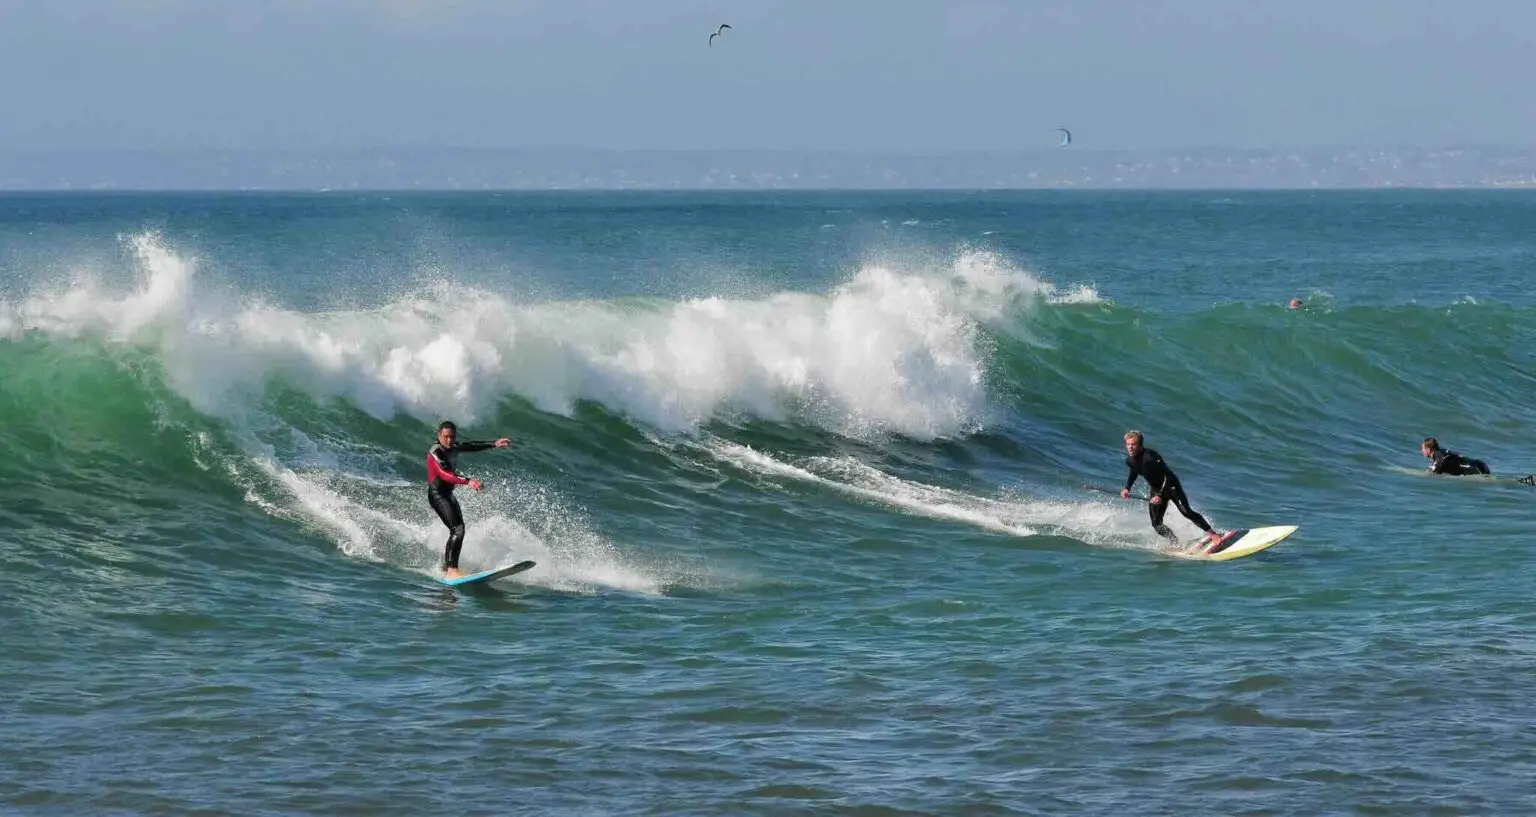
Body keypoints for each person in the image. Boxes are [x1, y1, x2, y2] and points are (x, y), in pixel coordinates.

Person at [427, 421, 512, 578]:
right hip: (437, 495)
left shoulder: (454, 447)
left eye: (452, 437)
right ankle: (452, 569)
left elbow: (472, 445)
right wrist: (469, 481)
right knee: (457, 529)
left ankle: (447, 567)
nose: (449, 440)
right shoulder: (436, 451)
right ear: (439, 436)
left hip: (448, 495)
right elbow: (446, 474)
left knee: (459, 529)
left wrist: (494, 444)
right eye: (446, 437)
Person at [1119, 430, 1226, 550]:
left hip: (1171, 486)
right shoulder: (1130, 460)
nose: (1130, 447)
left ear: (1140, 444)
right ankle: (1175, 542)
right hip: (1156, 490)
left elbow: (1166, 474)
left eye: (1133, 444)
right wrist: (1127, 488)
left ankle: (1212, 533)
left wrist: (1159, 495)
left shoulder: (1150, 456)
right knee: (1156, 524)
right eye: (1128, 444)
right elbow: (1133, 472)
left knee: (1186, 511)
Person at [1420, 437, 1490, 477]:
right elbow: (1458, 454)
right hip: (1480, 464)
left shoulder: (1438, 457)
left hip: (1474, 469)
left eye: (1422, 449)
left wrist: (1430, 471)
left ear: (1429, 450)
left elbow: (1437, 465)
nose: (1421, 451)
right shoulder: (1442, 451)